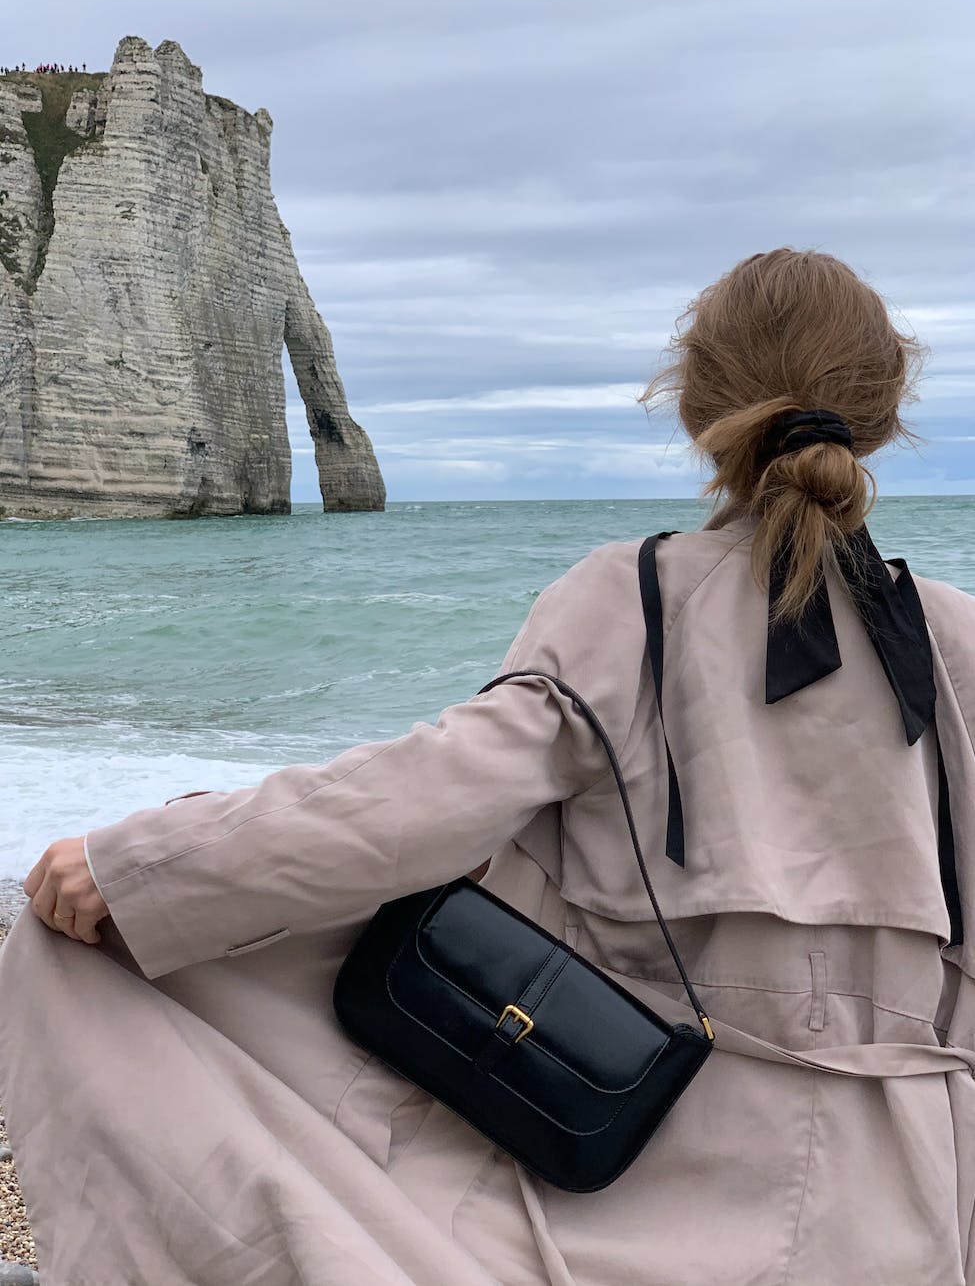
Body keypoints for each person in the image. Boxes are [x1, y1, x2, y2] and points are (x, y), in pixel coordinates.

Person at [3, 247, 975, 1285]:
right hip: (911, 1201)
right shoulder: (954, 642)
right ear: (883, 408)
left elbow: (413, 808)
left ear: (698, 407)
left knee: (73, 946)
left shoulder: (633, 598)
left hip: (641, 1179)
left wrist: (139, 869)